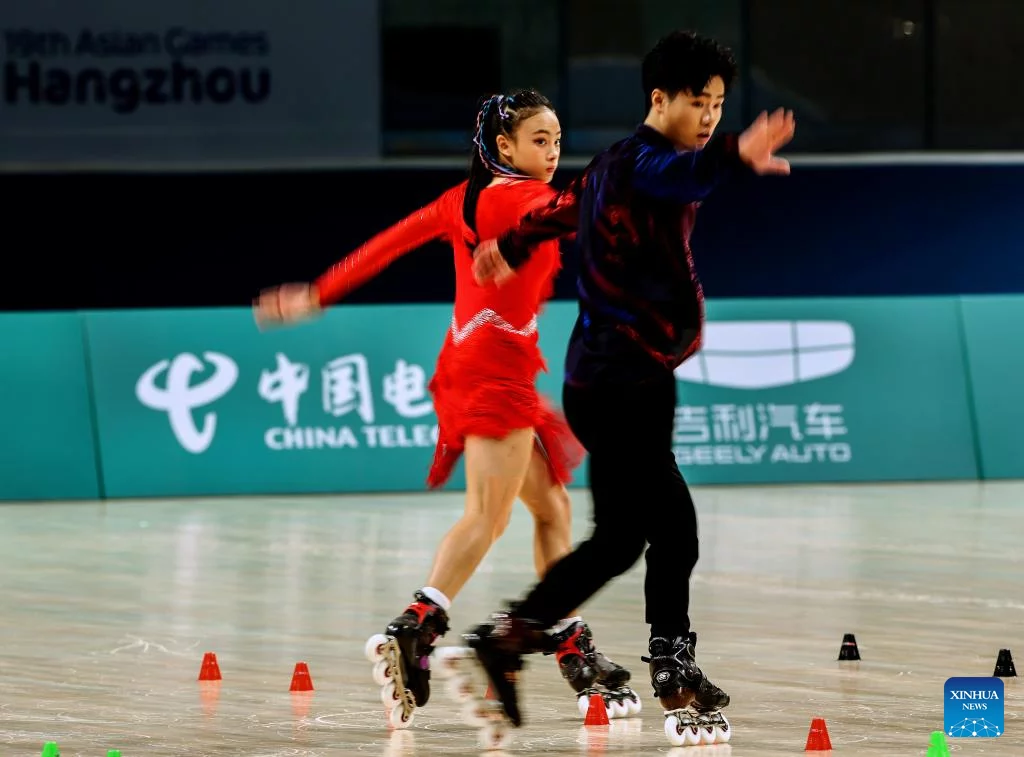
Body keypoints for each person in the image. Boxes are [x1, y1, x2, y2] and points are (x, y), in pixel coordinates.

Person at [252, 89, 637, 730]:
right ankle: (417, 625)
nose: (552, 151)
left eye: (557, 139)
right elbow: (578, 207)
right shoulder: (520, 197)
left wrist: (318, 293)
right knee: (486, 517)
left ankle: (567, 639)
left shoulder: (456, 200)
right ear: (504, 147)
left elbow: (386, 244)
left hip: (472, 358)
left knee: (551, 506)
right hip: (498, 371)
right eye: (539, 140)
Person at [461, 31, 797, 742]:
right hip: (628, 375)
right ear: (659, 99)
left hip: (607, 376)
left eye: (717, 104)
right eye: (696, 102)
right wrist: (732, 153)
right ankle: (667, 665)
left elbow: (562, 210)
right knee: (670, 527)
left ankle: (510, 638)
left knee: (621, 537)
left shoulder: (612, 163)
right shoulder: (653, 161)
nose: (707, 114)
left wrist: (512, 245)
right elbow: (686, 177)